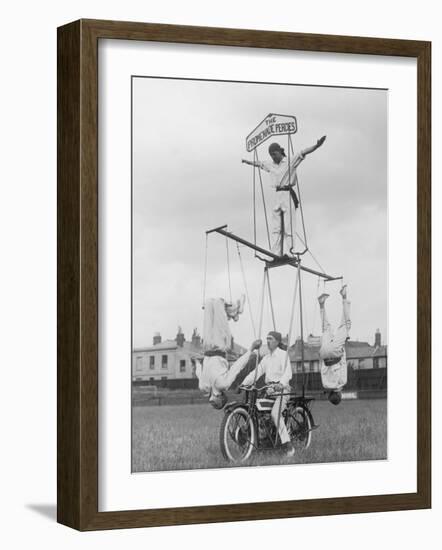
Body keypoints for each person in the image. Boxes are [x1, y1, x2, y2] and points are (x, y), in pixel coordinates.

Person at [242, 136, 326, 255]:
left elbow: (303, 152)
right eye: (271, 155)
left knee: (288, 224)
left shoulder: (289, 161)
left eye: (274, 154)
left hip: (287, 193)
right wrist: (247, 162)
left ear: (279, 152)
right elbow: (259, 164)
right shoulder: (270, 164)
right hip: (277, 195)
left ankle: (290, 251)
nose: (273, 157)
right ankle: (275, 253)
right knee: (276, 227)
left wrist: (316, 146)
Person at [241, 331, 295, 456]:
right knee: (256, 409)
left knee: (275, 414)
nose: (268, 341)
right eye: (267, 339)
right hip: (269, 390)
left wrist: (280, 384)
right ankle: (263, 438)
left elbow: (288, 373)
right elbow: (257, 372)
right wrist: (243, 384)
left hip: (282, 390)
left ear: (277, 341)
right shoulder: (266, 358)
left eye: (270, 339)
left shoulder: (283, 355)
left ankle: (288, 445)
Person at [193, 339, 262, 409]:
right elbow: (199, 373)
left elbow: (236, 367)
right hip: (208, 347)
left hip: (218, 346)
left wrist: (251, 349)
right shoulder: (204, 387)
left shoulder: (222, 385)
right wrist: (196, 362)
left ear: (221, 396)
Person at [318, 285, 351, 405]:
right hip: (324, 353)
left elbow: (343, 363)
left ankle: (344, 296)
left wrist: (343, 347)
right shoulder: (325, 384)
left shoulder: (342, 382)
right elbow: (322, 367)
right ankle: (321, 304)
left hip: (336, 352)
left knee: (346, 325)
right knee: (325, 328)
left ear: (339, 394)